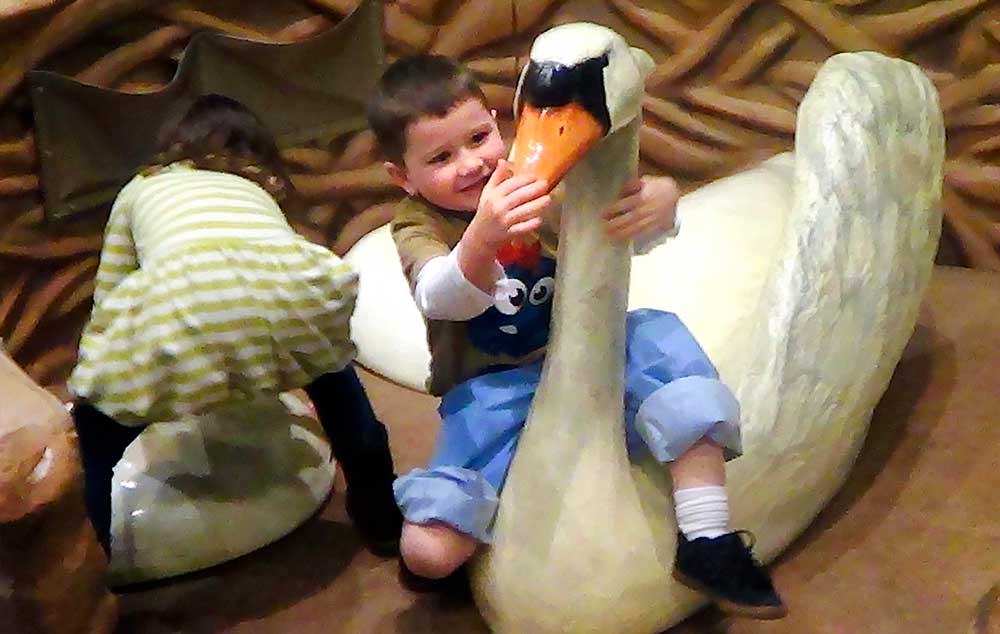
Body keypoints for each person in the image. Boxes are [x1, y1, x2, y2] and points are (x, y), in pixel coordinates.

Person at [367, 55, 787, 618]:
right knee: (429, 552)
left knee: (664, 346)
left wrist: (660, 205)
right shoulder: (416, 223)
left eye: (479, 138)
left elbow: (616, 240)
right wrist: (483, 239)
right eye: (441, 158)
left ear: (499, 124)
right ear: (404, 178)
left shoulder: (540, 185)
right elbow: (440, 295)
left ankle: (707, 538)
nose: (471, 164)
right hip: (491, 389)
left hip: (585, 352)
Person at [69, 94, 402, 558]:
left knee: (96, 427)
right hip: (285, 290)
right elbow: (267, 268)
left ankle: (100, 552)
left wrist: (102, 370)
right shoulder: (257, 185)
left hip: (181, 299)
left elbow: (112, 291)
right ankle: (381, 514)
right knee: (333, 377)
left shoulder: (141, 187)